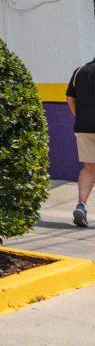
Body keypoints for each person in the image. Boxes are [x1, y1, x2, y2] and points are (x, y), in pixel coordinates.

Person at [66, 58, 95, 227]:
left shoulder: (80, 71)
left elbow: (70, 98)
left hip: (84, 127)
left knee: (89, 168)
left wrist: (80, 117)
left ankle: (81, 206)